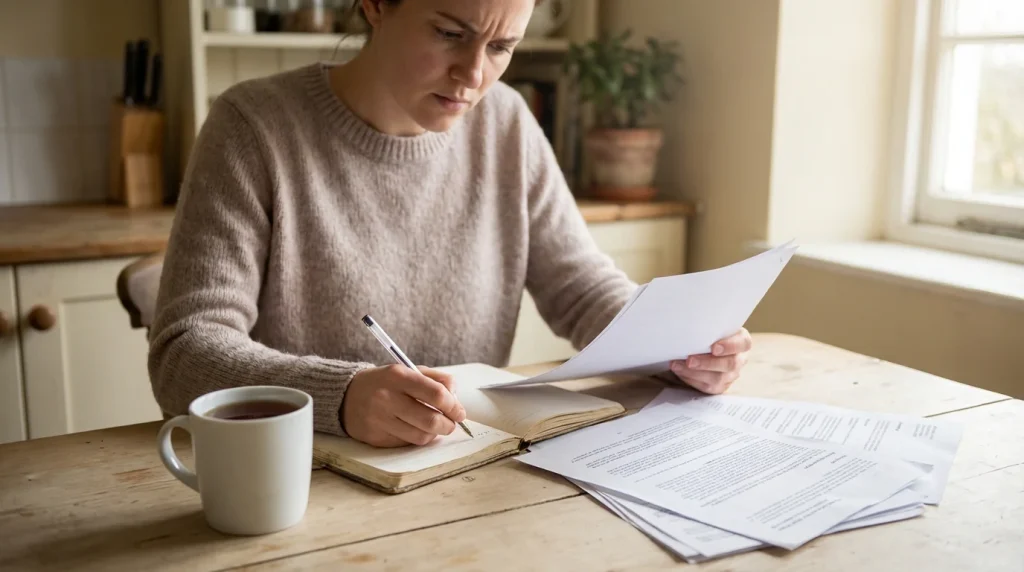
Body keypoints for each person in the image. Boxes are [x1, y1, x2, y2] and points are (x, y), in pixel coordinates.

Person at [147, 0, 753, 448]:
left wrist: (675, 344)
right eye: (448, 34)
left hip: (466, 472)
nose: (473, 76)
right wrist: (343, 397)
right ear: (377, 6)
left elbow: (581, 288)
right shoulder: (251, 128)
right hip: (305, 482)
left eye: (500, 48)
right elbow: (185, 352)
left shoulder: (507, 123)